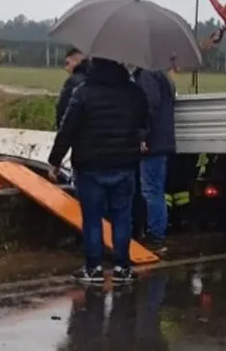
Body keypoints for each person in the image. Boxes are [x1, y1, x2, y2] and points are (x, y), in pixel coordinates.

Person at [47, 57, 149, 284]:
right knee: (123, 217)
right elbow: (144, 122)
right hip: (124, 163)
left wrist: (54, 161)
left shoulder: (83, 92)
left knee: (92, 218)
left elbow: (67, 130)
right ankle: (122, 267)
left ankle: (93, 269)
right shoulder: (133, 92)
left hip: (90, 165)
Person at [134, 67, 177, 251]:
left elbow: (148, 105)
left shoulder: (147, 74)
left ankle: (155, 236)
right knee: (156, 190)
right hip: (162, 140)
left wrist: (143, 135)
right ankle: (157, 233)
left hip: (153, 142)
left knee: (151, 190)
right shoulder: (162, 75)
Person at [55, 47, 88, 128]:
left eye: (68, 63)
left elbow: (63, 111)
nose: (66, 68)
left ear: (77, 61)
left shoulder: (73, 82)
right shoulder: (97, 80)